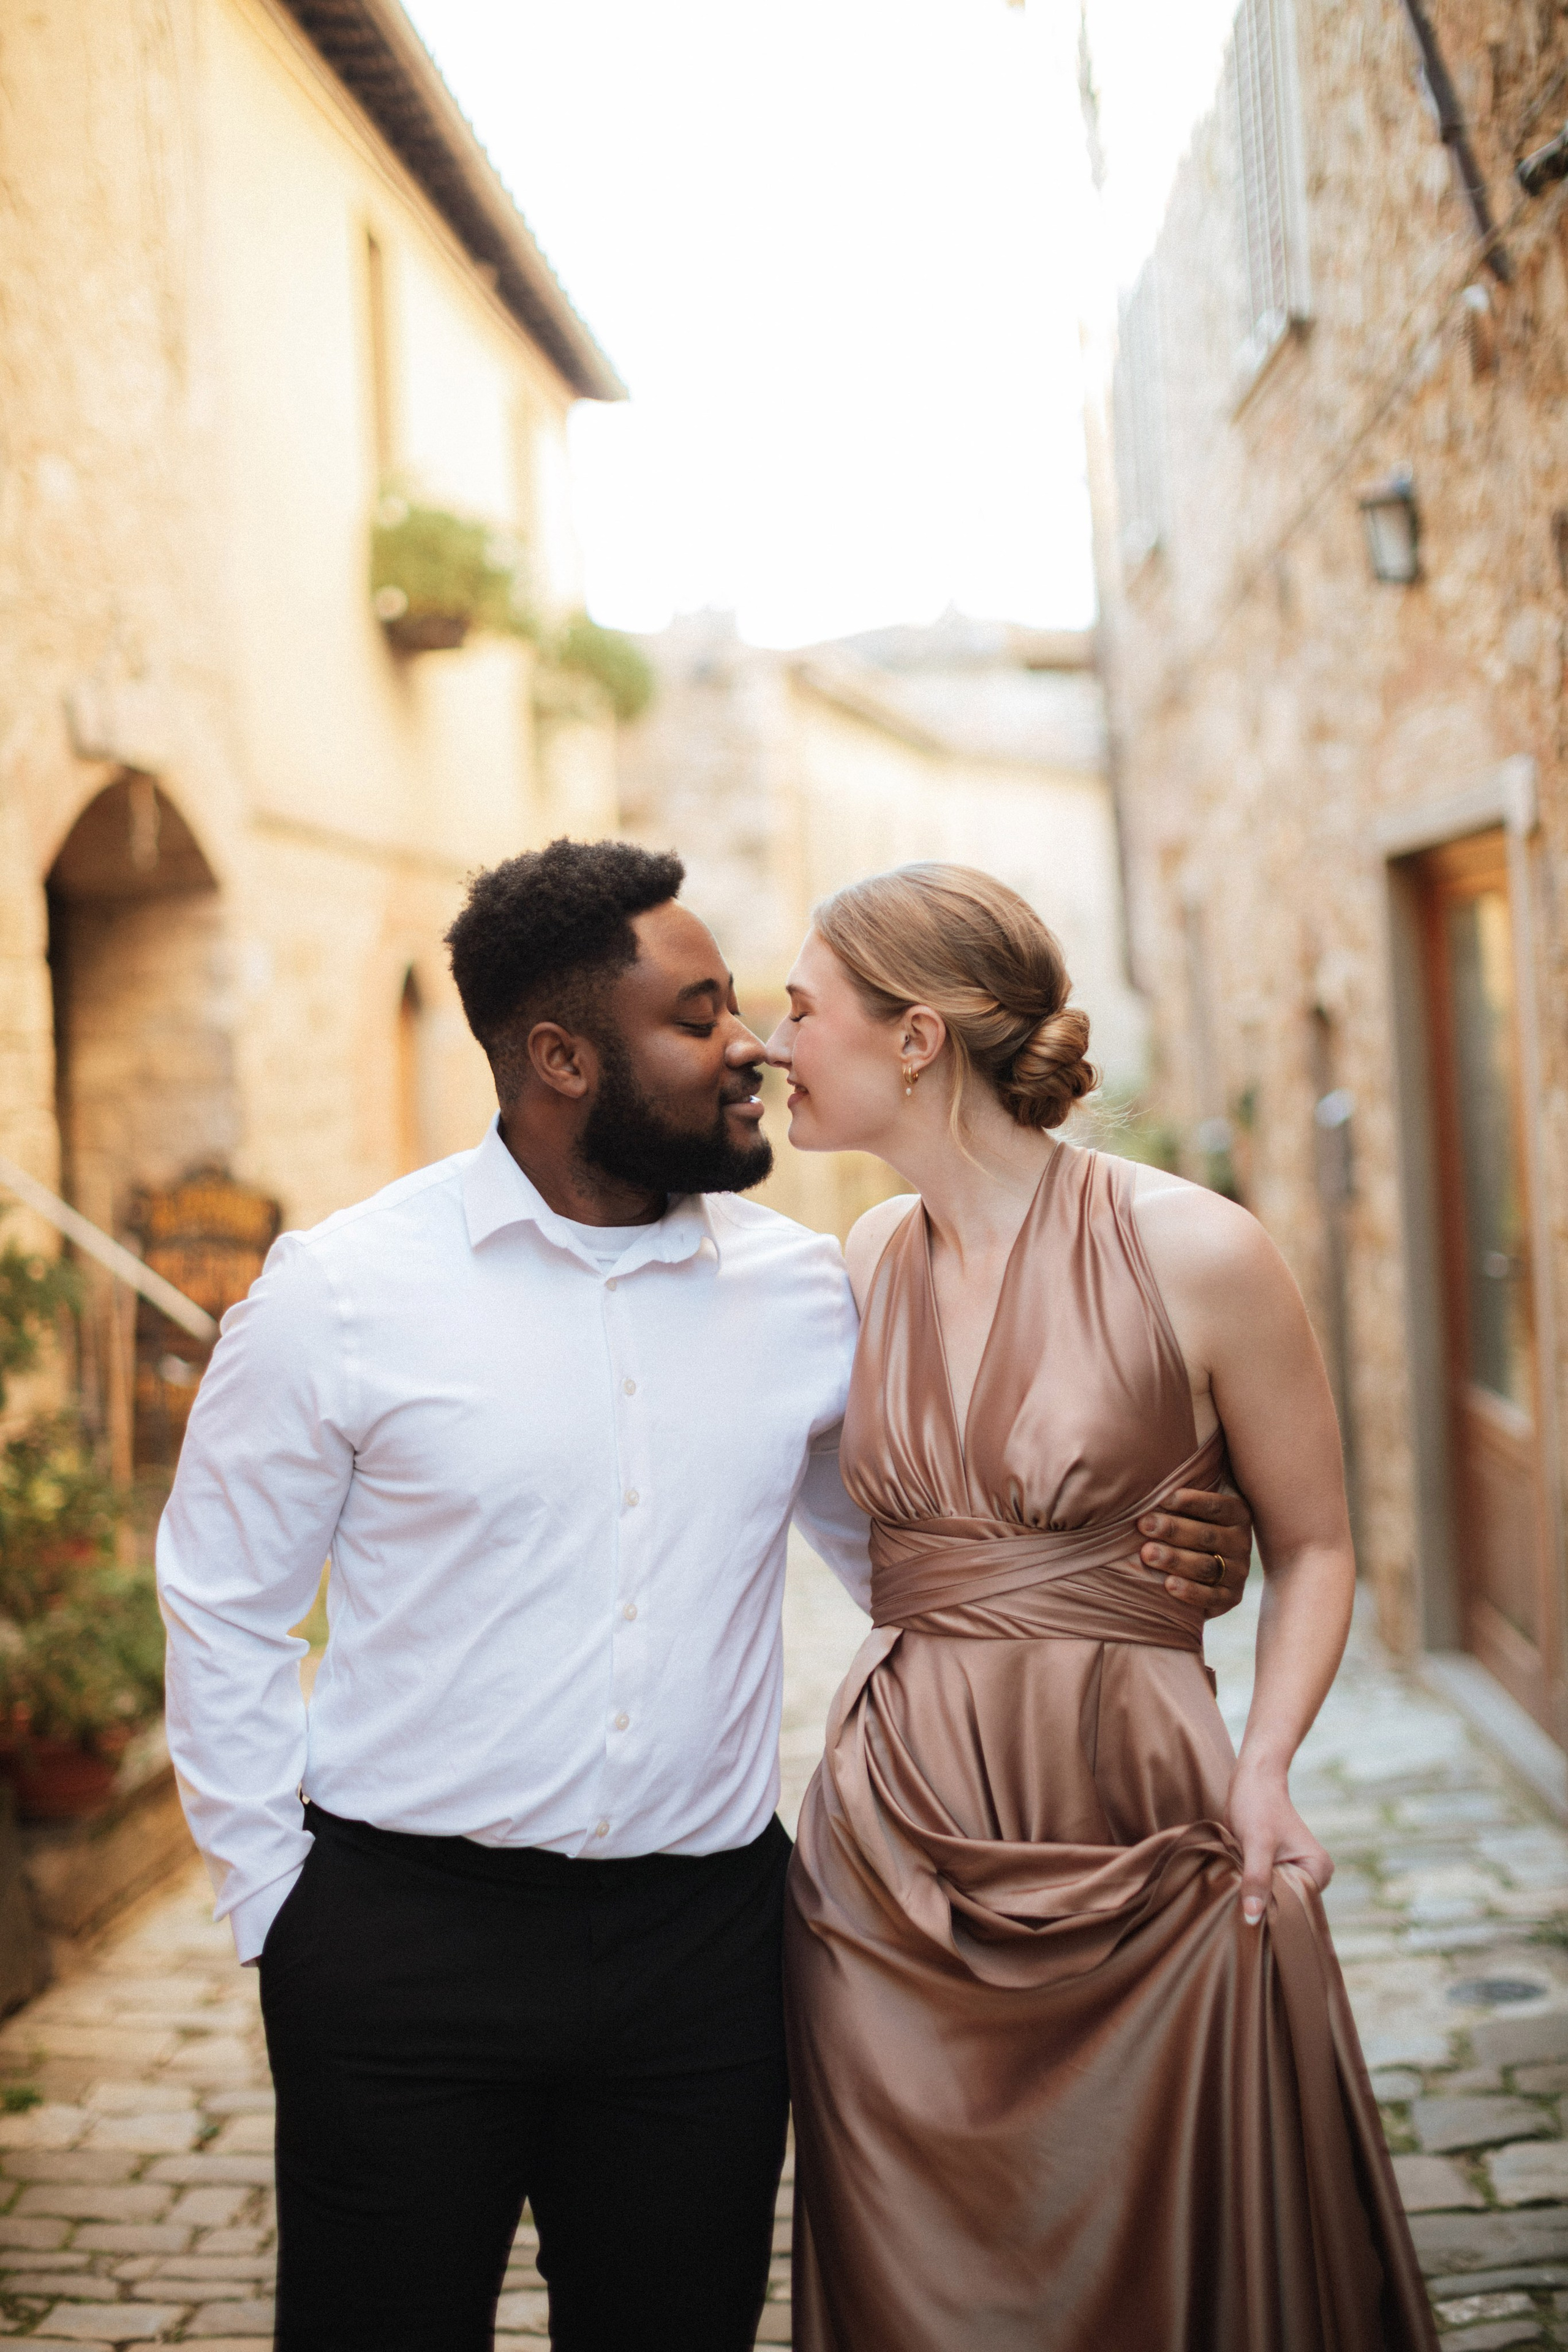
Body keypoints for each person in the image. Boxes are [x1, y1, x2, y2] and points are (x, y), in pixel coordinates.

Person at [157, 837, 1256, 2352]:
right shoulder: (343, 1292)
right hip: (403, 1947)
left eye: (743, 1004)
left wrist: (1147, 1564)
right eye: (695, 1016)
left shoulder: (806, 1293)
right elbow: (222, 1599)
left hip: (708, 1960)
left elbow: (920, 1557)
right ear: (558, 1058)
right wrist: (278, 1910)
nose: (750, 1045)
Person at [767, 862, 1436, 2352]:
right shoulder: (865, 1261)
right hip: (893, 1846)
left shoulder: (1197, 1250)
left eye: (800, 1011)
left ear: (918, 1037)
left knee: (1169, 2262)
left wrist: (1258, 1768)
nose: (769, 1042)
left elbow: (1316, 1544)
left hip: (1139, 1818)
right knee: (912, 2281)